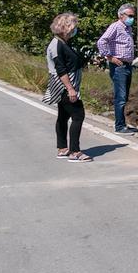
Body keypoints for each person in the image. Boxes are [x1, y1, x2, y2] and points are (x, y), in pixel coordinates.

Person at [43, 12, 91, 162]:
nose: (75, 29)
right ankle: (74, 151)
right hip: (64, 86)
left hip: (66, 85)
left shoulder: (62, 42)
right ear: (66, 27)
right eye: (73, 26)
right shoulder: (57, 45)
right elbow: (61, 69)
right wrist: (70, 89)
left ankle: (62, 148)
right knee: (78, 115)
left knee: (63, 117)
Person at [97, 3, 136, 135]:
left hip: (127, 65)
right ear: (121, 15)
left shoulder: (127, 29)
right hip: (119, 66)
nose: (132, 18)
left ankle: (122, 123)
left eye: (133, 16)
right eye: (130, 16)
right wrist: (109, 57)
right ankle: (119, 126)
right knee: (120, 97)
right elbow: (102, 41)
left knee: (124, 96)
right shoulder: (116, 26)